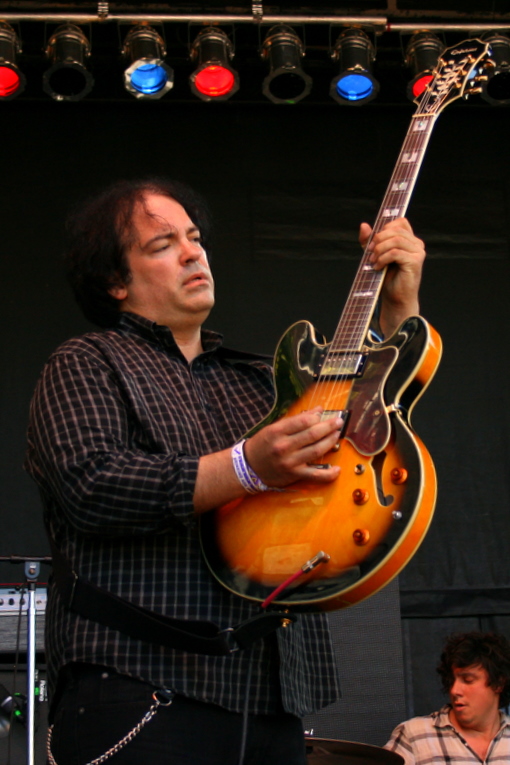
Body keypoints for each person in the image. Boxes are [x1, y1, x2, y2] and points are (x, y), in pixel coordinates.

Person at [25, 177, 426, 765]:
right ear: (115, 281)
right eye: (162, 245)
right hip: (140, 686)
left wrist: (399, 308)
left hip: (272, 697)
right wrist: (247, 466)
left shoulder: (265, 380)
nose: (193, 252)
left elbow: (372, 444)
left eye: (194, 237)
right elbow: (93, 487)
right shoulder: (86, 362)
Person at [385, 632, 510, 765]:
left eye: (467, 680)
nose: (454, 690)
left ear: (498, 684)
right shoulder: (413, 735)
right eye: (452, 681)